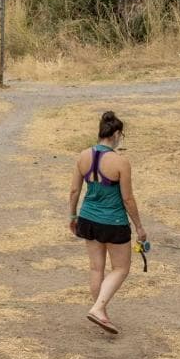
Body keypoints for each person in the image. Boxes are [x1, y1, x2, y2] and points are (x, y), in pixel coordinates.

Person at [67, 110, 147, 335]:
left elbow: (74, 191)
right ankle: (98, 308)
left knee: (96, 268)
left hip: (88, 218)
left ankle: (100, 312)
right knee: (121, 268)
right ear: (117, 134)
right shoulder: (121, 162)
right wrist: (139, 226)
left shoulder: (83, 156)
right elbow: (128, 199)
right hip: (113, 222)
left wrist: (72, 217)